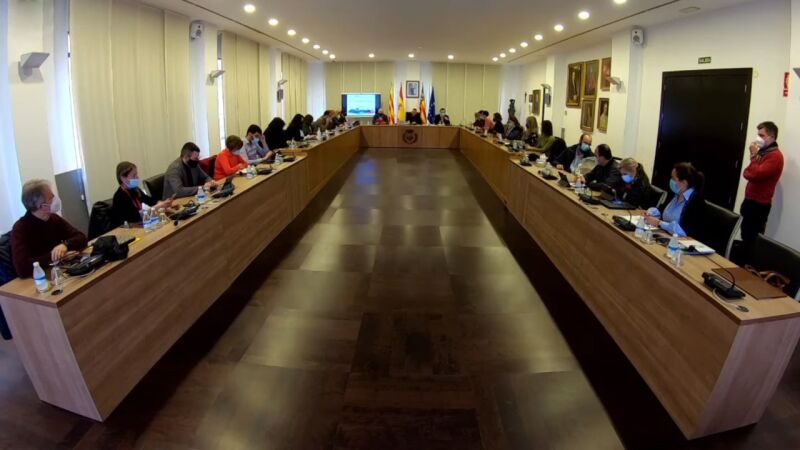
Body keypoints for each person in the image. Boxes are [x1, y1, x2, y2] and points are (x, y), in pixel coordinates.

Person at [11, 180, 88, 278]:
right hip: (39, 279)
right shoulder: (20, 229)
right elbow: (22, 268)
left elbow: (81, 237)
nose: (55, 199)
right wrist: (57, 256)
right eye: (51, 198)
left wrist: (65, 245)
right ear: (42, 206)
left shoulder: (54, 218)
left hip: (60, 272)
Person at [740, 121, 784, 244]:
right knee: (744, 234)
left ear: (772, 137)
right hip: (749, 201)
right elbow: (746, 173)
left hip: (759, 205)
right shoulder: (763, 152)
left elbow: (755, 174)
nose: (758, 138)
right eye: (758, 135)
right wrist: (755, 158)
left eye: (762, 135)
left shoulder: (775, 156)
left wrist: (753, 155)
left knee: (752, 239)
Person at [644, 162, 706, 238]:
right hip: (663, 235)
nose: (671, 181)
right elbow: (662, 210)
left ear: (684, 183)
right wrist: (651, 213)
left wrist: (659, 223)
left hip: (680, 241)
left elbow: (684, 232)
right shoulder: (675, 193)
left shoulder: (697, 202)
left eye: (673, 178)